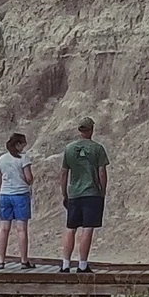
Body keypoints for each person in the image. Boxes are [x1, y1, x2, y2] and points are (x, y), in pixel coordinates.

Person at [59, 116, 111, 273]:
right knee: (87, 228)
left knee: (71, 228)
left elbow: (63, 173)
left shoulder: (69, 149)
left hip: (74, 193)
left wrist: (64, 193)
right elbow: (102, 172)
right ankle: (82, 265)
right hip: (91, 192)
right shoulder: (98, 149)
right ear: (91, 130)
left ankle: (65, 264)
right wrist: (102, 191)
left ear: (79, 130)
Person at [0, 132, 37, 269]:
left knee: (4, 228)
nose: (24, 146)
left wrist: (0, 193)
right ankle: (24, 260)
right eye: (23, 143)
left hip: (5, 195)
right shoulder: (23, 159)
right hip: (20, 194)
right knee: (21, 229)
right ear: (18, 144)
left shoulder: (1, 159)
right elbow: (29, 178)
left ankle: (1, 261)